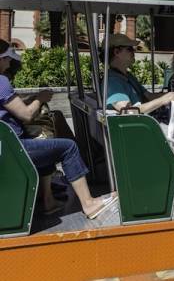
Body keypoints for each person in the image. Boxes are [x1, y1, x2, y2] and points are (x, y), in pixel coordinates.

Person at [0, 40, 117, 219]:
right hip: (13, 148)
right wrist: (41, 98)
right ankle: (89, 204)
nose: (9, 63)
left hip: (7, 146)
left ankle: (48, 201)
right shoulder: (1, 81)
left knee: (46, 145)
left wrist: (32, 97)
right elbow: (26, 115)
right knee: (68, 147)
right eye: (7, 58)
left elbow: (9, 104)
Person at [105, 34, 174, 114]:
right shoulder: (112, 81)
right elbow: (128, 111)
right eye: (130, 49)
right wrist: (163, 100)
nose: (134, 51)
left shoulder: (127, 76)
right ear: (116, 52)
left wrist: (173, 95)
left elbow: (148, 96)